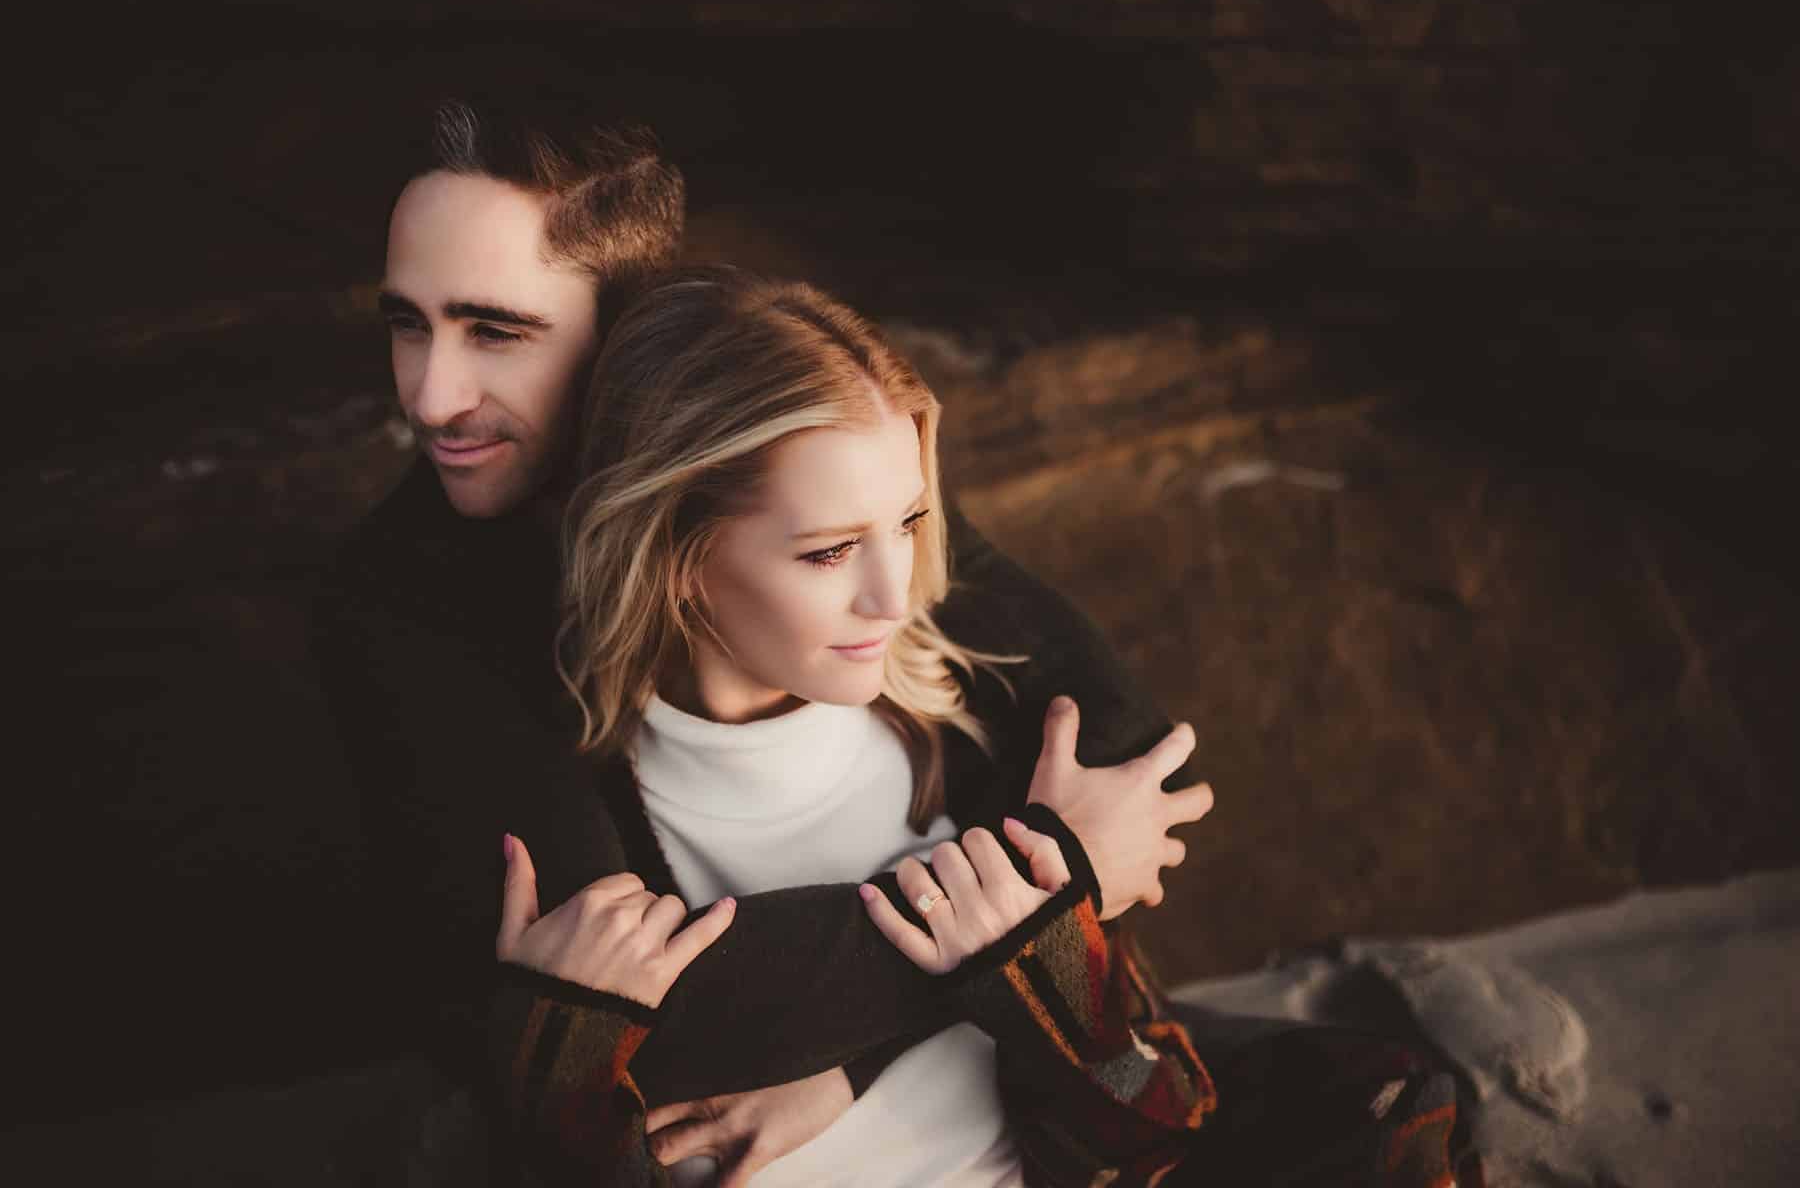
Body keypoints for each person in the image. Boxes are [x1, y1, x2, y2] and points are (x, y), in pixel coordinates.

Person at [312, 101, 1213, 1177]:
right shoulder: (403, 603)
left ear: (632, 333)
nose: (429, 394)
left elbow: (1123, 752)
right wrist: (1055, 882)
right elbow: (653, 1014)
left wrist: (847, 1063)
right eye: (408, 323)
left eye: (494, 331)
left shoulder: (778, 427)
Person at [491, 268, 1467, 1187]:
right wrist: (570, 1039)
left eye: (911, 522)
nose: (897, 592)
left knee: (1395, 1102)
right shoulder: (596, 814)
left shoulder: (955, 720)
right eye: (831, 551)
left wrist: (862, 1059)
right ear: (678, 557)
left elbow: (1148, 1113)